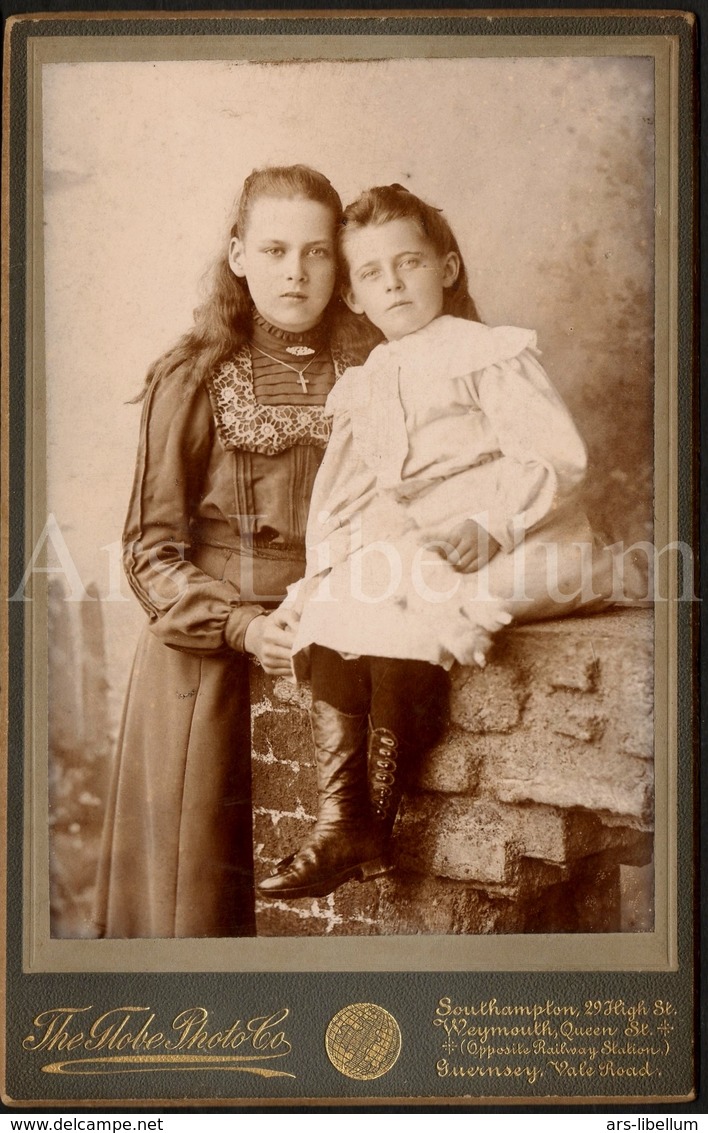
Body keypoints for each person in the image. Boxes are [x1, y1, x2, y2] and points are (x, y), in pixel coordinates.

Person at [258, 183, 612, 903]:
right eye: (371, 273)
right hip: (423, 537)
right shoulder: (369, 381)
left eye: (409, 263)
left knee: (408, 598)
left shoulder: (487, 351)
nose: (392, 282)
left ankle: (367, 822)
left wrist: (494, 524)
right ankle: (345, 819)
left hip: (520, 531)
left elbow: (555, 457)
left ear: (446, 268)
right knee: (346, 596)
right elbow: (348, 497)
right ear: (353, 297)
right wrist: (316, 579)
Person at [94, 164, 363, 938]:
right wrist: (245, 625)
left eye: (317, 252)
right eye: (276, 249)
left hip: (339, 639)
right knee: (197, 904)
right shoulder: (194, 374)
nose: (296, 271)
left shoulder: (379, 361)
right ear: (239, 254)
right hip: (203, 665)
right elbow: (150, 552)